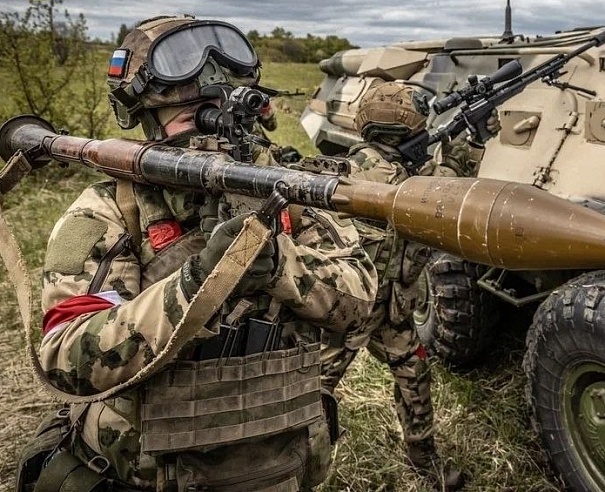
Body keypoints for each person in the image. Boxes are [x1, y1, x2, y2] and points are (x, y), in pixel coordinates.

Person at [16, 15, 376, 492]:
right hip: (141, 473)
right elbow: (67, 358)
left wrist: (282, 266)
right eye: (193, 117)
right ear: (148, 120)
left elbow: (360, 303)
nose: (215, 130)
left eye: (224, 112)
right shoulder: (111, 209)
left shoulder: (290, 192)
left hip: (283, 465)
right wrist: (198, 281)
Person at [319, 80, 499, 490]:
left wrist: (467, 144)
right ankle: (298, 457)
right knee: (317, 383)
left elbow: (446, 191)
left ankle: (424, 458)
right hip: (355, 308)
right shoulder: (367, 171)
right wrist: (467, 148)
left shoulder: (403, 169)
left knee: (414, 373)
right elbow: (441, 191)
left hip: (393, 306)